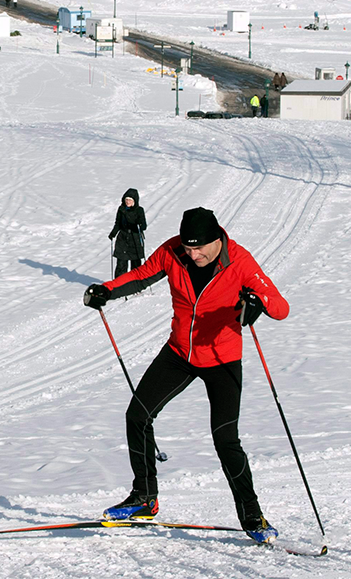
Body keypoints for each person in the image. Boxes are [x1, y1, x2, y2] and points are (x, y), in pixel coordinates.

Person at [82, 207, 289, 544]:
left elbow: (281, 306)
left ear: (217, 239)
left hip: (222, 358)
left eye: (200, 249)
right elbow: (141, 275)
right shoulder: (173, 251)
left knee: (225, 439)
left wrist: (257, 302)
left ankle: (253, 516)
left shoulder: (239, 261)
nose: (193, 255)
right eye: (189, 249)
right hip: (179, 353)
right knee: (137, 415)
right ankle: (144, 498)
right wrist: (107, 290)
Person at [107, 188, 147, 277]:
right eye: (126, 199)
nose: (127, 202)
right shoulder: (121, 209)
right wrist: (113, 233)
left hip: (135, 239)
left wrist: (138, 225)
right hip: (123, 239)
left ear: (134, 201)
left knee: (136, 264)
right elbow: (118, 223)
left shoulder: (139, 210)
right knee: (121, 263)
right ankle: (118, 285)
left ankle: (136, 284)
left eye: (130, 200)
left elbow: (144, 226)